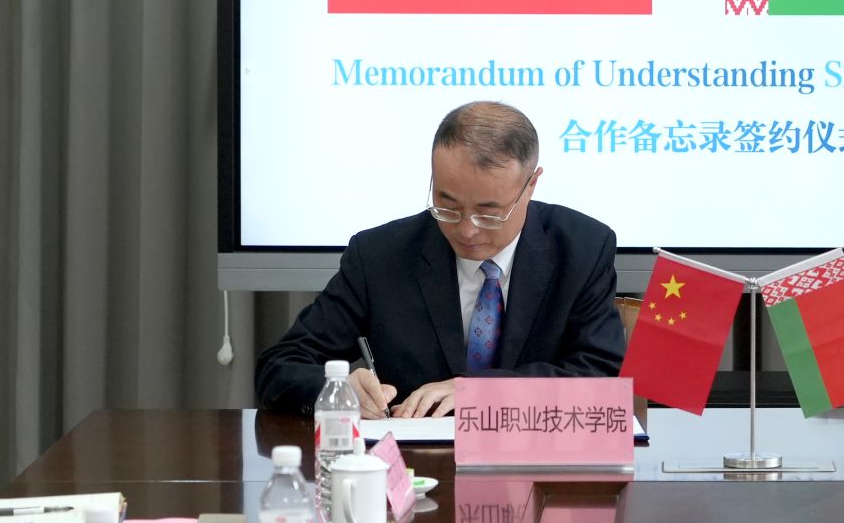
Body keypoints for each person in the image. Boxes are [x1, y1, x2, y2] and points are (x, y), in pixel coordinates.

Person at [255, 101, 627, 418]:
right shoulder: (380, 255)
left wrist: (483, 392)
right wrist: (340, 390)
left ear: (531, 185)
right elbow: (280, 366)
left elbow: (601, 375)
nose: (466, 230)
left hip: (538, 462)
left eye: (488, 213)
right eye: (447, 205)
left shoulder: (581, 248)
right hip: (415, 465)